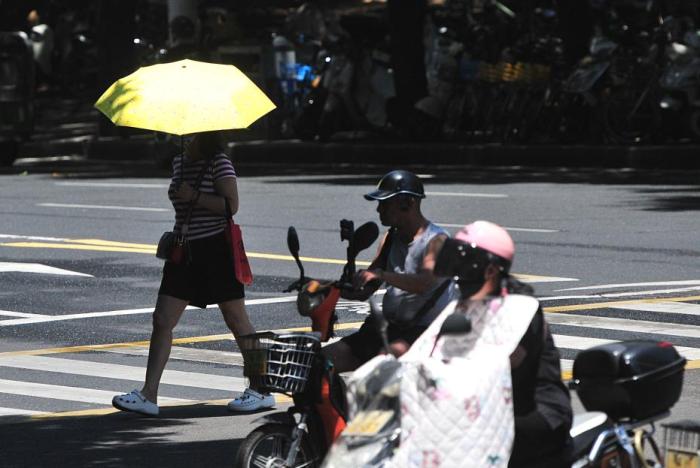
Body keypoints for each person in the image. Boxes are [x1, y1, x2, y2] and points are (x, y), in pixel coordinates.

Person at [112, 131, 274, 416]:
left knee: (237, 319)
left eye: (190, 135)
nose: (184, 139)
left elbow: (230, 206)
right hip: (184, 250)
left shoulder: (219, 163)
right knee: (162, 319)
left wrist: (194, 195)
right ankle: (149, 394)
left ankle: (261, 389)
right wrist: (182, 195)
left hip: (216, 250)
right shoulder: (180, 163)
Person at [433, 220, 573, 468]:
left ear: (490, 270)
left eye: (465, 265)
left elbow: (503, 363)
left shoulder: (520, 307)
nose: (459, 274)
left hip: (537, 408)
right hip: (486, 406)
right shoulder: (469, 303)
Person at [322, 170, 453, 372]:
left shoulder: (436, 240)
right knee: (320, 362)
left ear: (407, 203)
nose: (378, 209)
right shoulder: (390, 238)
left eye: (385, 203)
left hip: (423, 335)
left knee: (380, 368)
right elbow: (368, 287)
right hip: (388, 329)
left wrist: (381, 275)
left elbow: (425, 282)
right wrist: (346, 286)